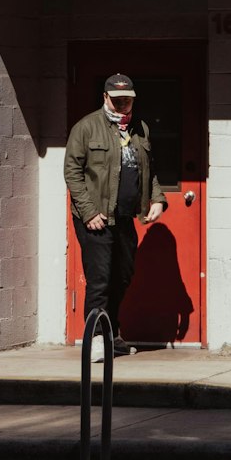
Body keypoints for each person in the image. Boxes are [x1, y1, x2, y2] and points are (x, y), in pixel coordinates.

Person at [64, 73, 166, 361]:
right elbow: (72, 172)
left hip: (124, 215)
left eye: (128, 100)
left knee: (123, 274)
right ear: (105, 97)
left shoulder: (139, 127)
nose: (123, 105)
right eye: (118, 99)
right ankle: (96, 337)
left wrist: (156, 198)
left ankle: (112, 332)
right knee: (100, 278)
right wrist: (88, 211)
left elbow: (149, 169)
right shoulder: (86, 128)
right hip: (96, 216)